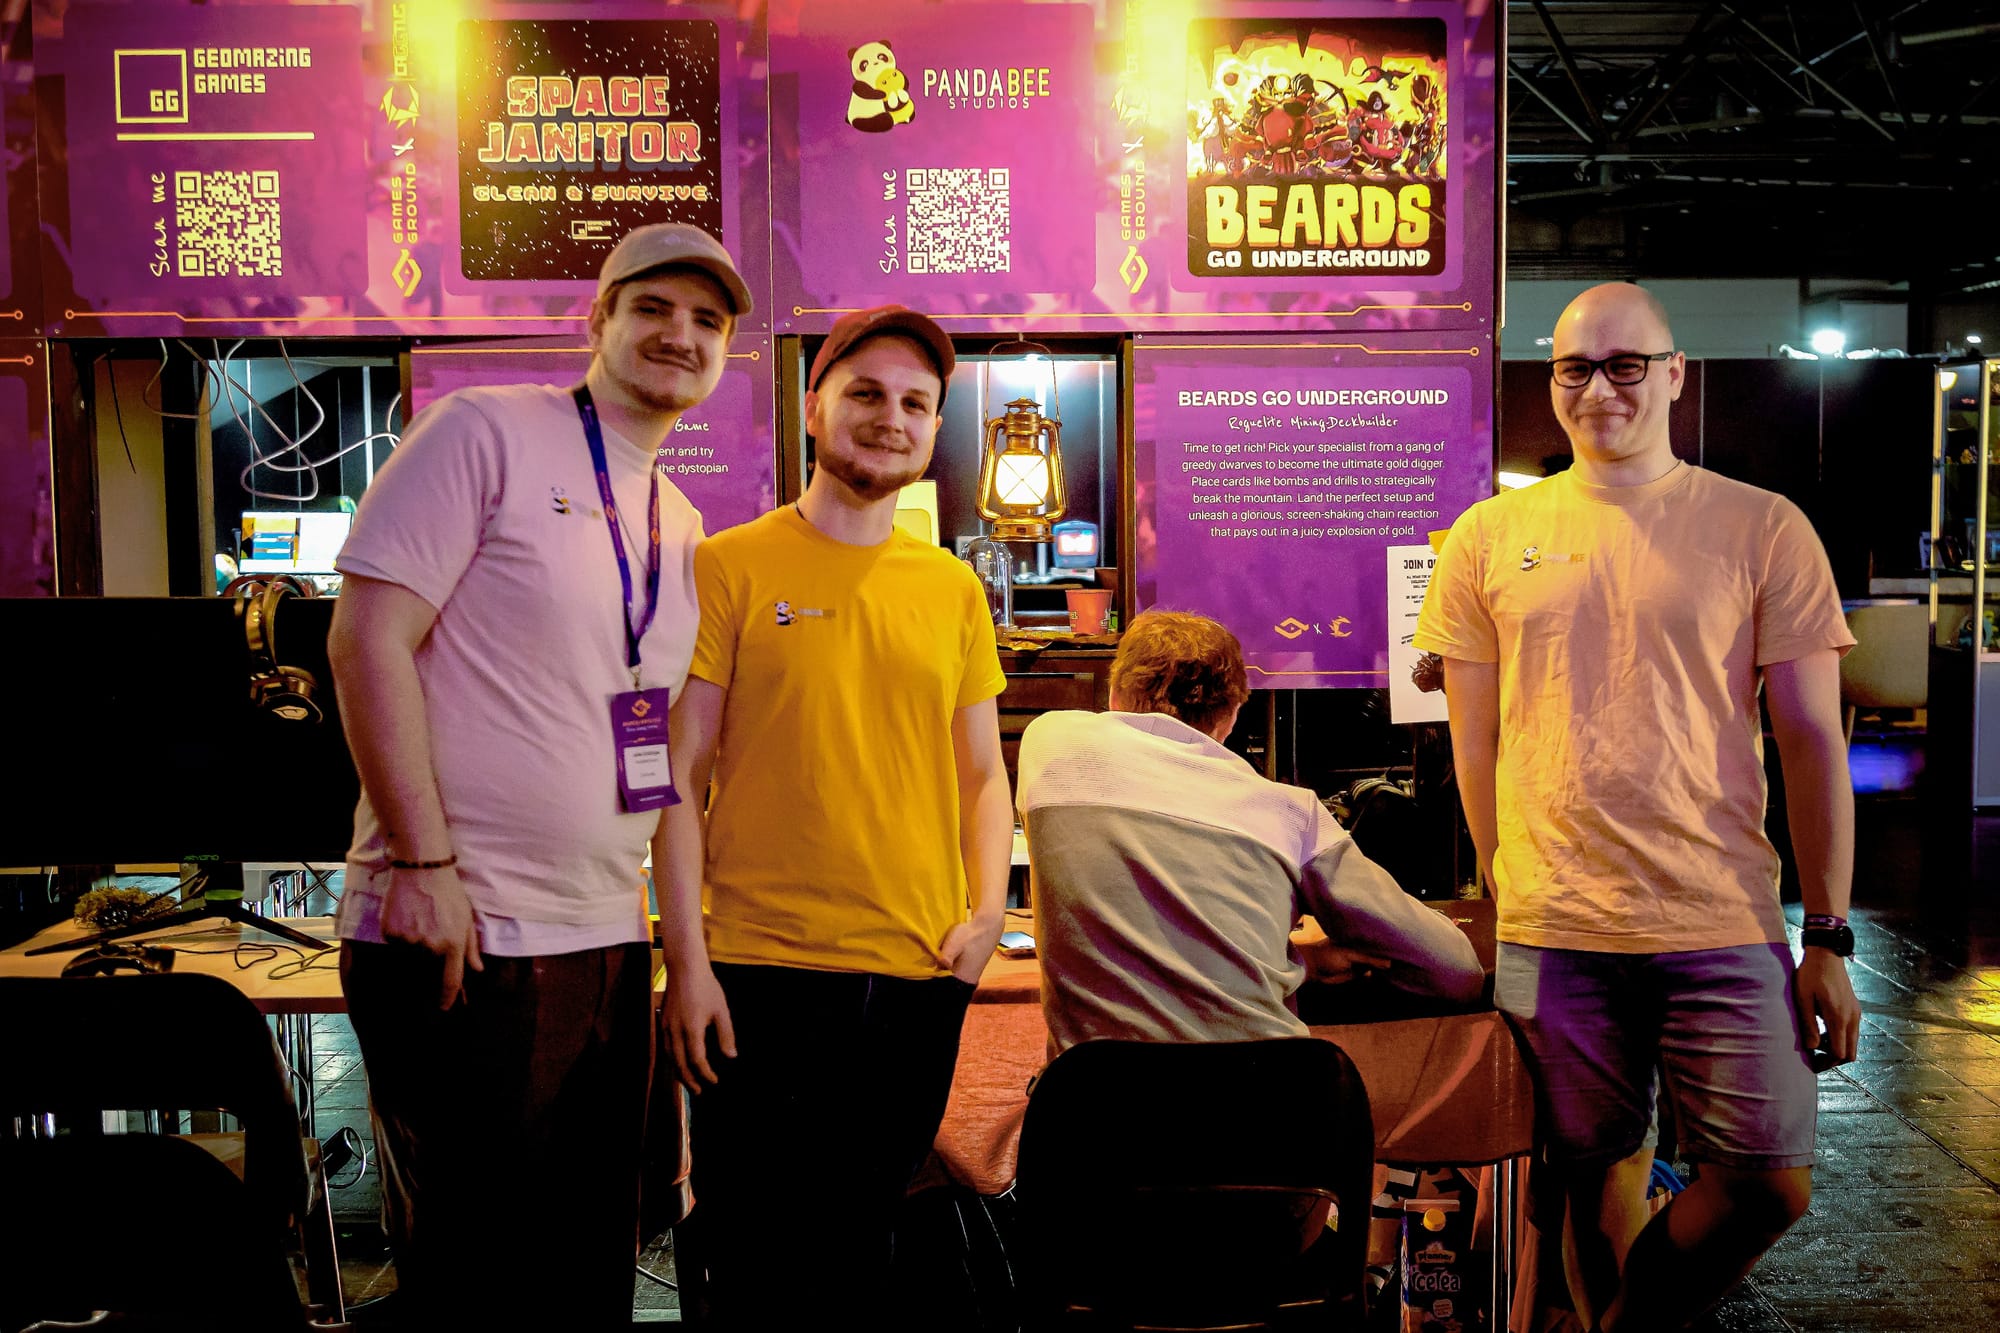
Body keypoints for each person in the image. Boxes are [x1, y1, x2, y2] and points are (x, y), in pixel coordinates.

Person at [1414, 282, 1862, 1333]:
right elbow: (1474, 739)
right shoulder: (1487, 535)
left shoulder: (1760, 525)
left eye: (1625, 365)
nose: (1599, 389)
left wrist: (1828, 934)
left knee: (1768, 1180)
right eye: (1575, 367)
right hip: (1555, 924)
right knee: (1589, 1171)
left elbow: (1811, 740)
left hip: (1720, 911)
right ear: (1550, 380)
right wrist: (1507, 878)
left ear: (1673, 374)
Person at [326, 223, 751, 1326]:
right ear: (597, 318)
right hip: (464, 931)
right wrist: (421, 862)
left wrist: (680, 956)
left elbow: (654, 755)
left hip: (604, 945)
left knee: (588, 1272)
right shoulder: (485, 432)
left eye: (707, 321)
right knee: (478, 1280)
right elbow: (365, 640)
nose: (681, 334)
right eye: (653, 307)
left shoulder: (680, 521)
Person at [657, 305, 1012, 1325]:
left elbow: (983, 775)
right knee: (756, 1264)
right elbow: (678, 776)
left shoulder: (950, 587)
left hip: (914, 978)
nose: (890, 417)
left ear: (933, 426)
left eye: (914, 402)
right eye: (865, 392)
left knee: (869, 1263)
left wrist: (986, 915)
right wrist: (687, 962)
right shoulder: (728, 565)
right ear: (814, 408)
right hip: (759, 976)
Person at [1016, 608, 1484, 1054]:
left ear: (1114, 698)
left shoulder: (1050, 746)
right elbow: (1456, 971)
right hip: (1261, 1094)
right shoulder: (1290, 814)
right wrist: (1294, 965)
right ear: (1232, 716)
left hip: (1093, 1098)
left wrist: (1301, 963)